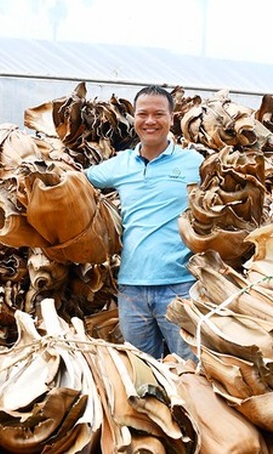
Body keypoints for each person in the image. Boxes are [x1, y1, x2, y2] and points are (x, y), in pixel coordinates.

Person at [85, 85, 203, 362]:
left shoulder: (194, 163)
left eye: (159, 114)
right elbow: (77, 183)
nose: (150, 121)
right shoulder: (120, 165)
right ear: (134, 118)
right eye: (143, 114)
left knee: (190, 368)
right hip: (131, 288)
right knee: (142, 371)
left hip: (181, 286)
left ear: (172, 118)